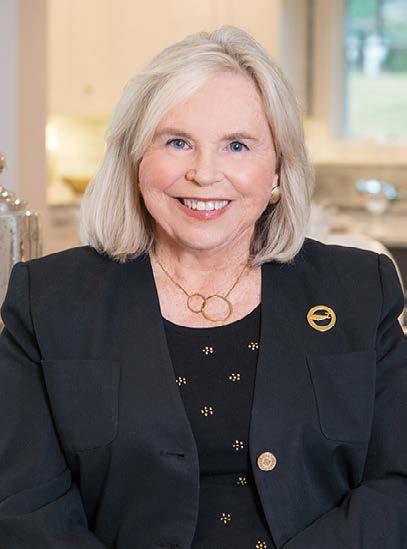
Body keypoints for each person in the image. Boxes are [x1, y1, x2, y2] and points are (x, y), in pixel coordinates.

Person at [0, 25, 406, 549]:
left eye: (237, 145)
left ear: (277, 170)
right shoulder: (48, 299)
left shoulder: (360, 289)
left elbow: (397, 482)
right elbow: (25, 503)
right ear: (136, 159)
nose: (204, 173)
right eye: (178, 142)